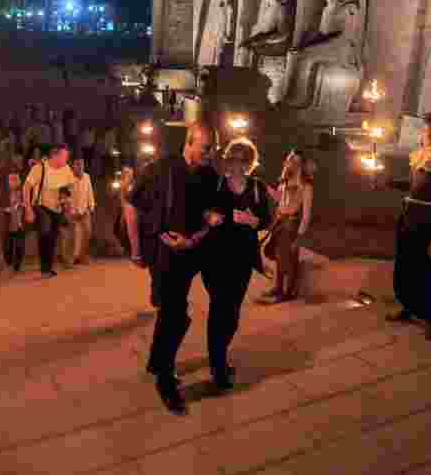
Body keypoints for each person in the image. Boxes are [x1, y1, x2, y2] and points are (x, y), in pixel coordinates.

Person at [125, 121, 222, 414]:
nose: (210, 154)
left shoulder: (209, 175)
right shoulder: (161, 168)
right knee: (175, 315)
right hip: (163, 255)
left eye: (213, 149)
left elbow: (212, 216)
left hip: (190, 254)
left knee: (173, 313)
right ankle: (165, 378)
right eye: (206, 148)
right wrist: (136, 250)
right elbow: (131, 204)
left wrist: (194, 239)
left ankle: (157, 362)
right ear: (189, 142)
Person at [204, 138, 272, 390]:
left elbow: (266, 219)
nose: (237, 167)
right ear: (227, 161)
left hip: (243, 259)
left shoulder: (256, 188)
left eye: (243, 162)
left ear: (250, 164)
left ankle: (219, 353)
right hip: (215, 258)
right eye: (233, 160)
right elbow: (199, 207)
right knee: (219, 307)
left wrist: (253, 221)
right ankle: (218, 366)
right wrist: (208, 216)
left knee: (232, 313)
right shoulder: (217, 185)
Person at [386, 110, 431, 340]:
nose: (422, 134)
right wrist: (388, 181)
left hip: (427, 223)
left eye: (425, 130)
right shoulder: (420, 156)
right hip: (408, 216)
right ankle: (407, 306)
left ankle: (429, 319)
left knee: (424, 271)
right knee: (404, 265)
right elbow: (412, 186)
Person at [263, 149, 314, 302]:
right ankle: (278, 288)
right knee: (279, 256)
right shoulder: (284, 181)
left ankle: (288, 292)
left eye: (298, 162)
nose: (294, 164)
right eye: (292, 160)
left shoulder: (306, 185)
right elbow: (279, 200)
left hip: (292, 223)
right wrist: (265, 188)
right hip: (280, 221)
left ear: (302, 164)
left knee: (290, 258)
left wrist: (300, 235)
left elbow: (306, 214)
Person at [23, 144, 77, 278]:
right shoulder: (39, 168)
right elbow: (26, 187)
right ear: (55, 155)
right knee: (45, 232)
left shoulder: (66, 169)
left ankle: (47, 268)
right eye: (65, 156)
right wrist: (28, 208)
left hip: (57, 208)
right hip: (41, 205)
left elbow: (69, 187)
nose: (67, 159)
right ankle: (44, 268)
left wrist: (67, 202)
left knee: (52, 237)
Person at [0, 171, 28, 272]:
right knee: (7, 246)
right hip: (7, 223)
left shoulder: (24, 192)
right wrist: (5, 209)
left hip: (20, 223)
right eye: (11, 179)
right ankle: (8, 262)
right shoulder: (3, 193)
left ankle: (17, 265)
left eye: (15, 179)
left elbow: (28, 204)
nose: (13, 182)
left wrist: (23, 205)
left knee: (20, 245)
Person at [69, 156, 96, 265]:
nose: (80, 167)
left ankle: (82, 256)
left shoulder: (87, 177)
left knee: (87, 233)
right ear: (73, 166)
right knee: (74, 235)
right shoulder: (68, 178)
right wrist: (72, 211)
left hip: (85, 211)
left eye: (82, 165)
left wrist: (91, 206)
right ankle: (72, 257)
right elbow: (67, 196)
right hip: (73, 212)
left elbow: (89, 192)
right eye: (78, 165)